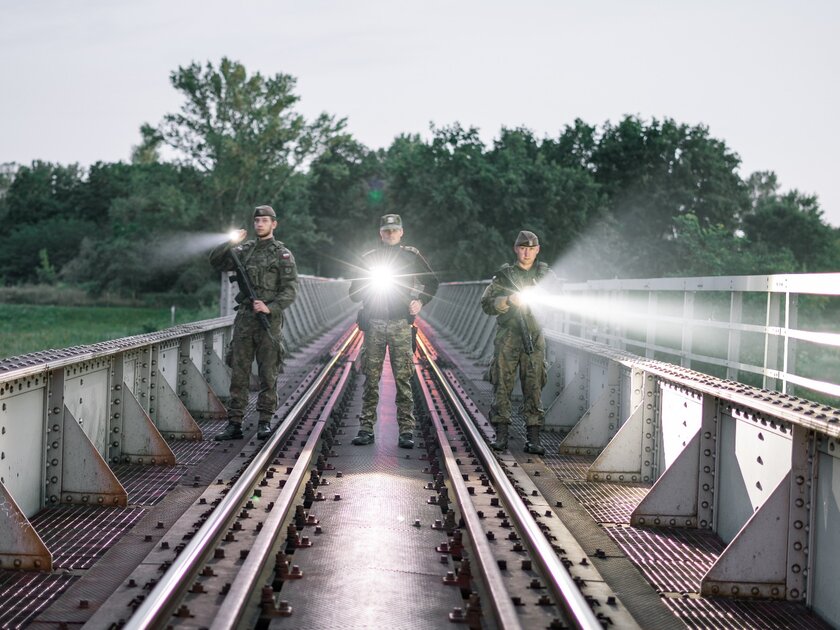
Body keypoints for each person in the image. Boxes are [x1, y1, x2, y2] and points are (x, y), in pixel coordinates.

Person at [348, 214, 439, 449]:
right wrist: (366, 286)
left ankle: (406, 430)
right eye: (386, 231)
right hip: (375, 323)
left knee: (403, 378)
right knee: (371, 377)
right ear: (381, 233)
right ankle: (366, 428)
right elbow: (353, 293)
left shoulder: (411, 256)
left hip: (400, 323)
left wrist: (420, 302)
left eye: (394, 230)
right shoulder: (369, 258)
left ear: (401, 232)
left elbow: (432, 282)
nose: (390, 234)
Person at [209, 205, 298, 441]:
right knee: (239, 372)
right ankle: (234, 424)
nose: (260, 224)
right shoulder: (244, 250)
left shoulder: (282, 254)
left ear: (274, 224)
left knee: (268, 373)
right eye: (257, 220)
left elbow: (290, 290)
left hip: (269, 321)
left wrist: (270, 307)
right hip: (246, 319)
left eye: (265, 220)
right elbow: (216, 262)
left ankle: (265, 422)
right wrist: (229, 243)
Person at [480, 230, 555, 455]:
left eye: (531, 249)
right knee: (502, 383)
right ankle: (501, 435)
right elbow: (486, 303)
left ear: (537, 250)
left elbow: (557, 300)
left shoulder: (545, 276)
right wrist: (505, 301)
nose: (527, 253)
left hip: (534, 335)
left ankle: (533, 437)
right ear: (516, 249)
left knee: (533, 385)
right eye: (523, 248)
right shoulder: (504, 276)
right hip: (509, 336)